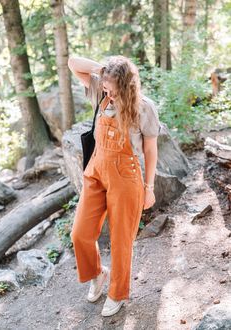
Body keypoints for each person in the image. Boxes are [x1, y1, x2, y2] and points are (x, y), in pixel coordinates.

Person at [68, 55, 161, 317]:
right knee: (80, 233)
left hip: (126, 176)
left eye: (111, 85)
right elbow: (73, 63)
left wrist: (149, 187)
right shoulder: (101, 90)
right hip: (96, 171)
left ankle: (117, 293)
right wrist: (103, 70)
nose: (106, 89)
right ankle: (98, 274)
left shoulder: (144, 107)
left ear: (126, 84)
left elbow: (151, 148)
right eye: (104, 84)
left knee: (121, 240)